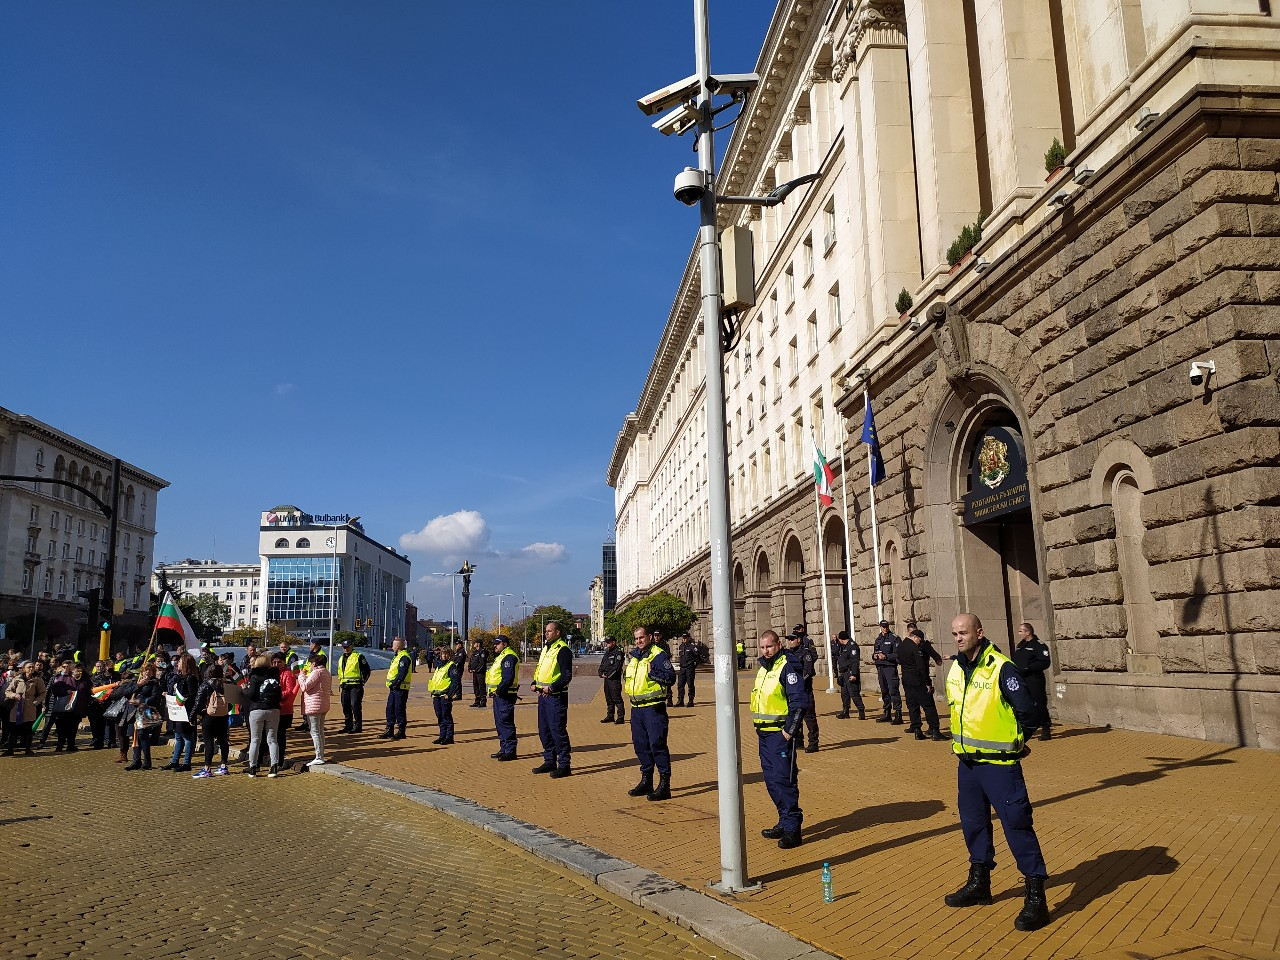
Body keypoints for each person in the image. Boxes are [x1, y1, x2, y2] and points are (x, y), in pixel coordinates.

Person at [944, 613, 1050, 932]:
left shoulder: (1001, 667)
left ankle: (1036, 897)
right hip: (968, 765)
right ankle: (980, 884)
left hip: (999, 766)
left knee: (1017, 825)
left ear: (980, 631)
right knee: (974, 824)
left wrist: (1018, 742)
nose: (959, 638)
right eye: (954, 633)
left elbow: (1029, 713)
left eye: (963, 632)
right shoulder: (956, 668)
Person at [750, 630, 806, 849]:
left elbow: (799, 701)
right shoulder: (765, 668)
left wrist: (789, 731)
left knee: (784, 780)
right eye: (762, 648)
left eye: (769, 647)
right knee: (771, 781)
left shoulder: (787, 666)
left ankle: (793, 829)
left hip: (779, 735)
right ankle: (783, 821)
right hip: (764, 735)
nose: (765, 651)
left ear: (778, 645)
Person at [625, 625, 677, 801]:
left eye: (641, 637)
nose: (639, 641)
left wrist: (653, 673)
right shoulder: (634, 657)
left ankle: (664, 785)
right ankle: (646, 780)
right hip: (637, 708)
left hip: (653, 709)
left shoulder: (658, 654)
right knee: (641, 746)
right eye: (636, 638)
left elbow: (670, 678)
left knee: (657, 745)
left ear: (649, 637)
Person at [531, 620, 573, 778]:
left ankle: (564, 765)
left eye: (549, 631)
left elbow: (566, 676)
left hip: (556, 697)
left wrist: (553, 687)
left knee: (557, 730)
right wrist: (534, 682)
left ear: (557, 633)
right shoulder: (546, 649)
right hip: (543, 697)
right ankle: (549, 760)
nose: (546, 633)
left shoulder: (562, 650)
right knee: (544, 730)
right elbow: (540, 670)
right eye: (545, 631)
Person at [900, 629, 947, 741]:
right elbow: (921, 666)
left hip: (906, 679)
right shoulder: (914, 648)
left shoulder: (901, 646)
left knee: (912, 705)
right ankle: (935, 730)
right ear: (915, 637)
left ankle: (917, 730)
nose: (920, 643)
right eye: (919, 640)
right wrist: (928, 683)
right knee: (928, 705)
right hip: (918, 680)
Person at [243, 654, 282, 777]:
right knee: (272, 740)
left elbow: (251, 694)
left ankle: (253, 767)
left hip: (257, 709)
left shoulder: (254, 676)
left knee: (255, 740)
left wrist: (244, 689)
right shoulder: (275, 675)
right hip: (274, 709)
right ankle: (274, 767)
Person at [1012, 623, 1053, 740]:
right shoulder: (1021, 645)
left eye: (1021, 631)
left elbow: (1045, 662)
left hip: (1034, 679)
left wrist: (1028, 668)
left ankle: (1046, 728)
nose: (1019, 633)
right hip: (1021, 679)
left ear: (1028, 632)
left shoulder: (1039, 645)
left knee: (1039, 704)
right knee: (1020, 703)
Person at [190, 663, 231, 777]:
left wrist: (192, 716)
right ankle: (223, 766)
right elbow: (231, 704)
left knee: (209, 742)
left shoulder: (205, 685)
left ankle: (207, 768)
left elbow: (198, 703)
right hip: (223, 716)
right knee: (223, 741)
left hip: (209, 717)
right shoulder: (227, 684)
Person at [162, 653, 200, 771]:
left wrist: (181, 699)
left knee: (187, 738)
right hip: (178, 712)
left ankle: (186, 763)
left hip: (186, 711)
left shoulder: (191, 678)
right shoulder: (180, 677)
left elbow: (192, 695)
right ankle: (175, 761)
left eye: (180, 662)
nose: (177, 663)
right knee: (178, 737)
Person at [124, 661, 164, 771]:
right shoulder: (136, 681)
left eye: (150, 671)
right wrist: (139, 684)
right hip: (133, 712)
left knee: (143, 736)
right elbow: (126, 692)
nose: (147, 672)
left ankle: (147, 761)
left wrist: (140, 701)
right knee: (135, 736)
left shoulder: (154, 683)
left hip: (144, 713)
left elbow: (155, 698)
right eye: (146, 670)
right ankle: (136, 761)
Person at [784, 632, 820, 752]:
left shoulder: (805, 653)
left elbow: (808, 672)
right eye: (789, 639)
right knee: (795, 716)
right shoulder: (788, 654)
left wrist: (798, 683)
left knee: (809, 718)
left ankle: (813, 743)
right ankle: (798, 741)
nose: (790, 641)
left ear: (799, 640)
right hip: (793, 693)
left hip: (805, 690)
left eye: (792, 639)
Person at [486, 635, 519, 760]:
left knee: (506, 722)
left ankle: (510, 750)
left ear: (504, 644)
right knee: (500, 723)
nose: (494, 645)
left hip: (505, 695)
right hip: (499, 695)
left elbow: (507, 679)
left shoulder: (509, 657)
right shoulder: (500, 657)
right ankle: (504, 748)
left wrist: (498, 691)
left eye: (497, 643)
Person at [297, 652, 332, 766]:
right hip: (323, 704)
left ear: (314, 663)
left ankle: (319, 756)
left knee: (315, 731)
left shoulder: (316, 672)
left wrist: (301, 675)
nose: (310, 666)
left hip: (314, 705)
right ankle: (321, 754)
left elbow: (305, 687)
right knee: (320, 731)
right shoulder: (326, 672)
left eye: (311, 663)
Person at [336, 639, 371, 733]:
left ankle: (358, 726)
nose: (346, 649)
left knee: (355, 705)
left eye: (348, 646)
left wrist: (363, 682)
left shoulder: (358, 656)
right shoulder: (341, 658)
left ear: (352, 646)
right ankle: (348, 725)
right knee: (345, 706)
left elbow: (366, 670)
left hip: (355, 685)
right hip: (345, 686)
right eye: (344, 647)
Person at [872, 620, 903, 724]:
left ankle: (898, 714)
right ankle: (887, 712)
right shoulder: (878, 639)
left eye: (886, 627)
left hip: (890, 668)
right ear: (880, 627)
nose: (884, 628)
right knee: (884, 691)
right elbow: (875, 652)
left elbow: (898, 654)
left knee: (893, 690)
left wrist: (886, 656)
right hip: (880, 668)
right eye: (883, 627)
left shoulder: (894, 638)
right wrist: (875, 656)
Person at [381, 638, 412, 740]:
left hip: (400, 688)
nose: (392, 647)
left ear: (398, 647)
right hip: (394, 688)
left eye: (393, 645)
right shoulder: (397, 656)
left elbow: (402, 673)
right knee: (390, 709)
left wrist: (395, 683)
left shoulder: (404, 657)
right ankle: (389, 730)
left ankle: (401, 731)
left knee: (399, 709)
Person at [273, 650, 300, 764]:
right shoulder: (273, 673)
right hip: (274, 707)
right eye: (274, 662)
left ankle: (280, 759)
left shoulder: (287, 674)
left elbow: (289, 690)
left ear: (284, 662)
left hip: (284, 709)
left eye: (279, 662)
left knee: (280, 735)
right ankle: (274, 757)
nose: (276, 664)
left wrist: (276, 694)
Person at [428, 650, 460, 745]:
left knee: (446, 716)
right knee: (439, 715)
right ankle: (442, 735)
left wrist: (450, 694)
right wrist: (432, 690)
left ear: (449, 655)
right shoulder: (439, 665)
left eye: (446, 654)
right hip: (436, 694)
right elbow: (435, 679)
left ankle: (449, 737)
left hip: (445, 695)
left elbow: (456, 681)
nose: (444, 656)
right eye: (443, 654)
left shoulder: (451, 666)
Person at [833, 630, 866, 720]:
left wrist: (854, 674)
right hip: (843, 673)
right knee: (844, 694)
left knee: (854, 693)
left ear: (841, 638)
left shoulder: (852, 646)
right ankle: (845, 711)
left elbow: (855, 661)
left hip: (850, 673)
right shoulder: (842, 647)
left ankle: (861, 711)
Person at [597, 636, 625, 724]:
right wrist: (601, 673)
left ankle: (620, 717)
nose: (607, 643)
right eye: (606, 642)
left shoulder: (618, 653)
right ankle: (610, 715)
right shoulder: (607, 653)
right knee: (608, 698)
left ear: (614, 642)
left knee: (616, 698)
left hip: (614, 680)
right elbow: (602, 665)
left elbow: (617, 667)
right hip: (607, 680)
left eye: (609, 642)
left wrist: (608, 675)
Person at [675, 633, 700, 707]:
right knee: (680, 685)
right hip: (682, 669)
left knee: (690, 685)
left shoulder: (692, 646)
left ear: (689, 638)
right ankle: (680, 700)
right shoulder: (681, 646)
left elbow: (697, 658)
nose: (684, 639)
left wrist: (693, 666)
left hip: (689, 669)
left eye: (685, 637)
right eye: (683, 637)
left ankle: (690, 700)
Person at [468, 641, 489, 708]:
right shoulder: (475, 652)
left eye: (475, 643)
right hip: (474, 673)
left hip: (480, 673)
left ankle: (483, 701)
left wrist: (476, 670)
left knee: (481, 686)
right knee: (476, 687)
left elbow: (482, 663)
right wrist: (470, 668)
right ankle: (477, 701)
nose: (474, 644)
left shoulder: (482, 652)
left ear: (478, 644)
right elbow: (471, 661)